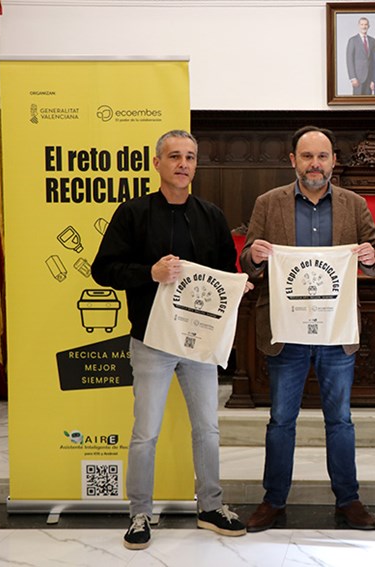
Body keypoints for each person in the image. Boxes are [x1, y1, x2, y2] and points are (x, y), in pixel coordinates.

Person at [92, 130, 248, 550]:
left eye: (190, 157)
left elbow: (225, 271)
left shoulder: (211, 215)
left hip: (199, 342)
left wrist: (238, 286)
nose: (183, 164)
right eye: (175, 156)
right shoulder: (133, 213)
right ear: (157, 163)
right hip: (151, 340)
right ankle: (139, 512)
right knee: (146, 432)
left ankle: (210, 506)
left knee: (208, 428)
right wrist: (150, 272)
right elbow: (102, 270)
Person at [240, 125, 375, 532]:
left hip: (336, 332)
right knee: (281, 420)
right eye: (307, 156)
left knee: (340, 420)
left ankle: (348, 500)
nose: (314, 164)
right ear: (293, 161)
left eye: (322, 156)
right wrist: (255, 255)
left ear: (334, 160)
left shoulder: (355, 204)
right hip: (287, 332)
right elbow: (247, 261)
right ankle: (273, 500)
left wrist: (371, 257)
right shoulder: (268, 203)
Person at [345, 17, 375, 95]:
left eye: (366, 24)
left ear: (368, 26)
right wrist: (353, 78)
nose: (364, 26)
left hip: (369, 78)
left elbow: (374, 61)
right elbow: (349, 60)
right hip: (358, 78)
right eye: (362, 24)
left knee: (368, 101)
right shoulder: (353, 40)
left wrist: (373, 79)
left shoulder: (372, 41)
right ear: (358, 26)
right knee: (357, 100)